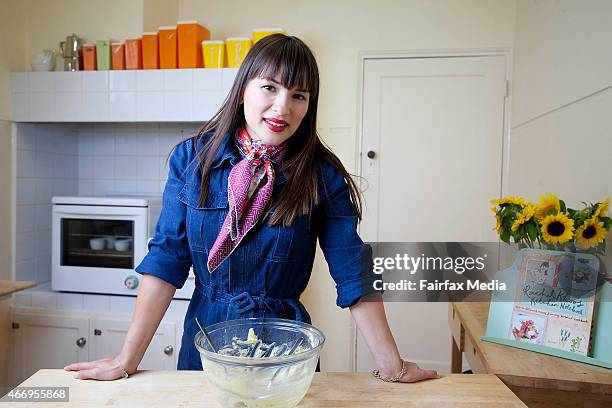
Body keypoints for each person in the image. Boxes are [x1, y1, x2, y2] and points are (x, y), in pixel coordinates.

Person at [64, 34, 440, 383]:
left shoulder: (321, 176)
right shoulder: (193, 160)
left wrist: (393, 366)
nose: (283, 107)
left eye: (299, 96)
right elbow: (167, 258)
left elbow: (351, 268)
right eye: (270, 88)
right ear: (243, 88)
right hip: (207, 344)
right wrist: (125, 360)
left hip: (285, 353)